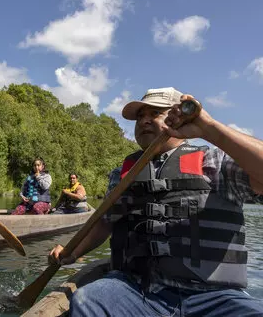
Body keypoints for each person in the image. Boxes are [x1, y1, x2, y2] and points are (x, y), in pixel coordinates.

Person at [48, 87, 263, 316]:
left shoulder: (214, 161)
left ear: (178, 119)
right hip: (137, 290)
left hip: (214, 297)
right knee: (89, 300)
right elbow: (104, 222)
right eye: (140, 116)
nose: (144, 121)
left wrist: (210, 129)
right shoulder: (122, 174)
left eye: (155, 113)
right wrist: (72, 251)